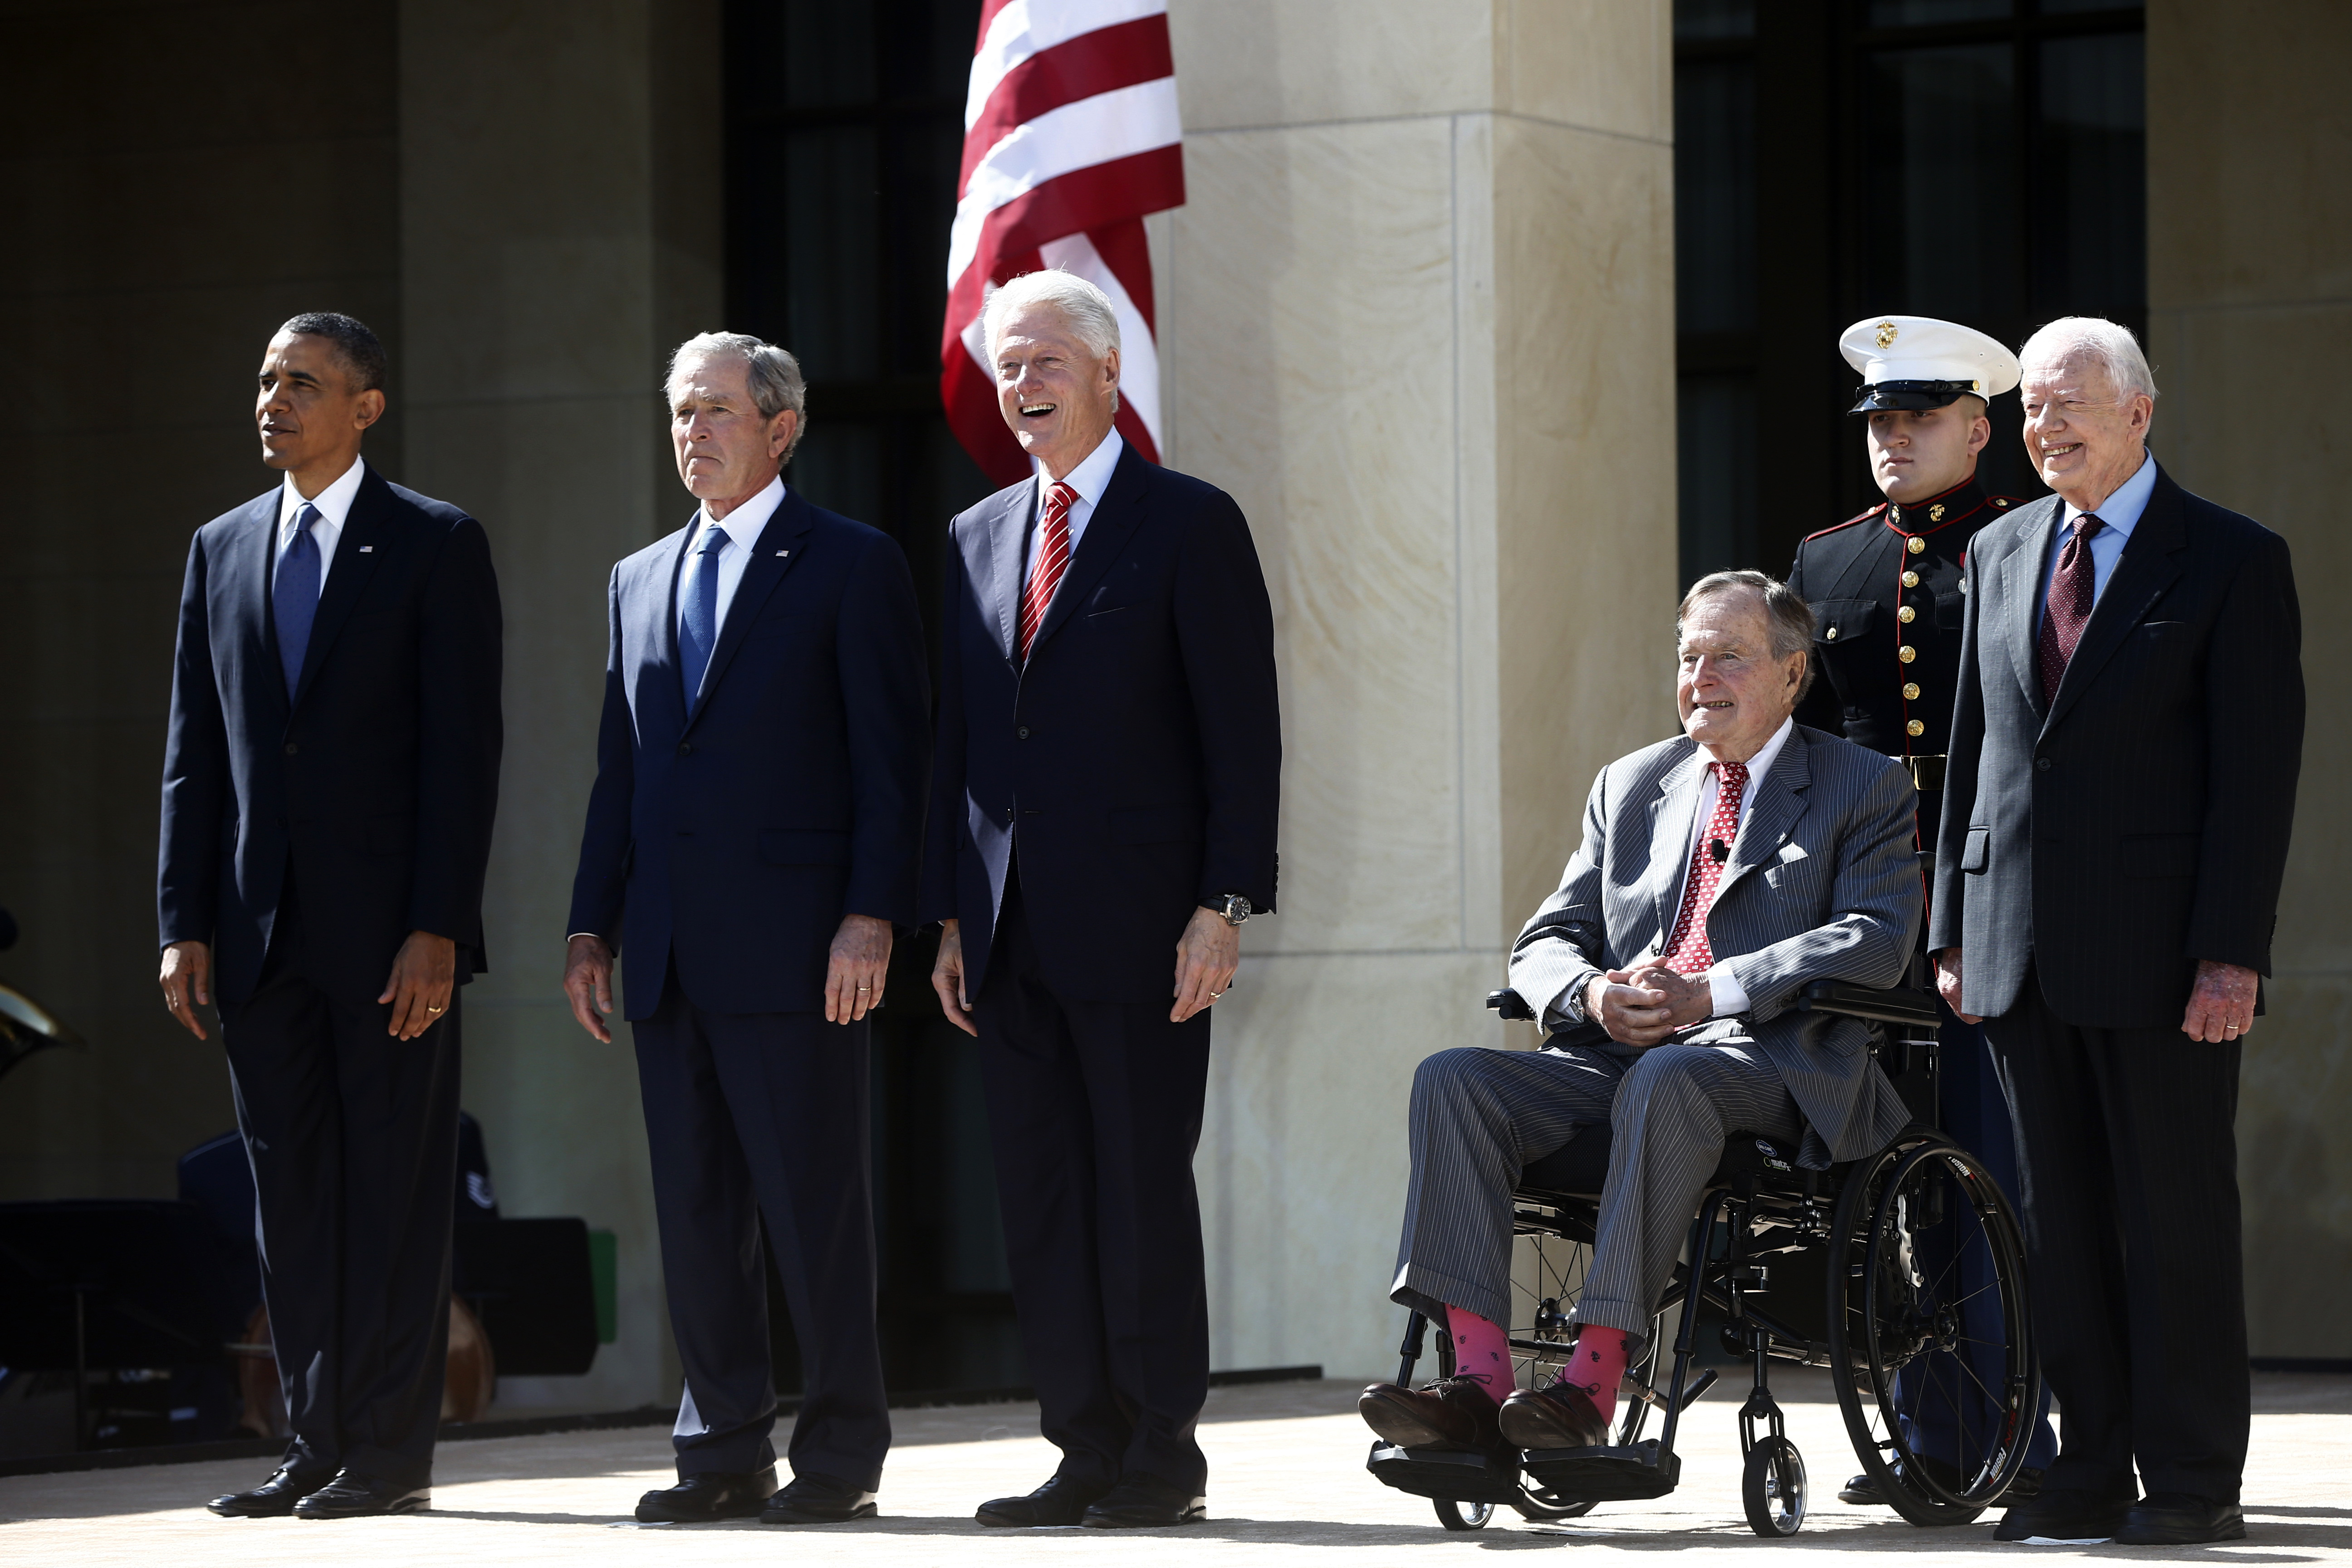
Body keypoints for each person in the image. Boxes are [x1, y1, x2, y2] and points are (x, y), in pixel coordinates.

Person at [1360, 572, 1919, 1458]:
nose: (1702, 677)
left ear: (1792, 672)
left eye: (1729, 656)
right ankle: (1478, 1382)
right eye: (1689, 658)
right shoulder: (1631, 784)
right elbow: (1546, 938)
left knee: (1671, 1077)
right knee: (1456, 1079)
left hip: (1772, 1059)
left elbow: (1876, 939)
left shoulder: (1862, 785)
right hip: (1620, 1057)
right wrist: (1592, 996)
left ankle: (1590, 1386)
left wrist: (1716, 988)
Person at [1933, 318, 2303, 1548]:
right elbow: (1973, 759)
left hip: (2165, 962)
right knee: (2061, 1227)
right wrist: (1953, 926)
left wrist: (2231, 953)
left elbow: (2255, 780)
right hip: (2019, 951)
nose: (2048, 429)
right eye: (2033, 411)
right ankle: (2083, 1467)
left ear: (2141, 411)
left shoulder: (2232, 562)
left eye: (2071, 406)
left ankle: (2195, 1478)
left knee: (2174, 1224)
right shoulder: (1999, 551)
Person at [924, 270, 1280, 1530]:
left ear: (1107, 372)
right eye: (1008, 367)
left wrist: (1223, 902)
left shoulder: (1189, 523)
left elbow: (1243, 735)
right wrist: (953, 917)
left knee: (1137, 1192)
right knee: (1043, 1203)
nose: (1023, 387)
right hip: (1009, 937)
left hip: (1145, 931)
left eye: (1046, 364)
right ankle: (1079, 1448)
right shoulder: (974, 538)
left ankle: (1158, 1460)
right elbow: (962, 746)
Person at [563, 334, 930, 1526]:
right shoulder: (637, 578)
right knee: (699, 1216)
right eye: (679, 412)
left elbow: (891, 764)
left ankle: (838, 1457)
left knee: (813, 1210)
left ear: (781, 430)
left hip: (800, 950)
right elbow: (621, 773)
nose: (694, 433)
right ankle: (719, 1450)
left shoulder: (849, 565)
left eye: (716, 411)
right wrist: (589, 928)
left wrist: (872, 915)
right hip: (667, 951)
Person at [157, 313, 504, 1519]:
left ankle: (391, 1457)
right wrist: (181, 919)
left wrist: (439, 926)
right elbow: (195, 757)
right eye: (264, 379)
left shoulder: (434, 545)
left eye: (302, 381)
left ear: (366, 407)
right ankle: (314, 1447)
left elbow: (463, 758)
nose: (274, 398)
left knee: (395, 1200)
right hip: (256, 942)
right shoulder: (220, 548)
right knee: (293, 1202)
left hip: (391, 942)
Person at [1785, 315, 2057, 1504]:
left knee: (1993, 1166)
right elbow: (1807, 747)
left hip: (1993, 896)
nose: (1893, 440)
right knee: (1886, 1167)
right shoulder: (1829, 558)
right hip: (1868, 902)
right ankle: (1930, 1428)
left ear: (1979, 428)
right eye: (1881, 422)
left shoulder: (2028, 542)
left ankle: (2015, 1429)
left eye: (1920, 419)